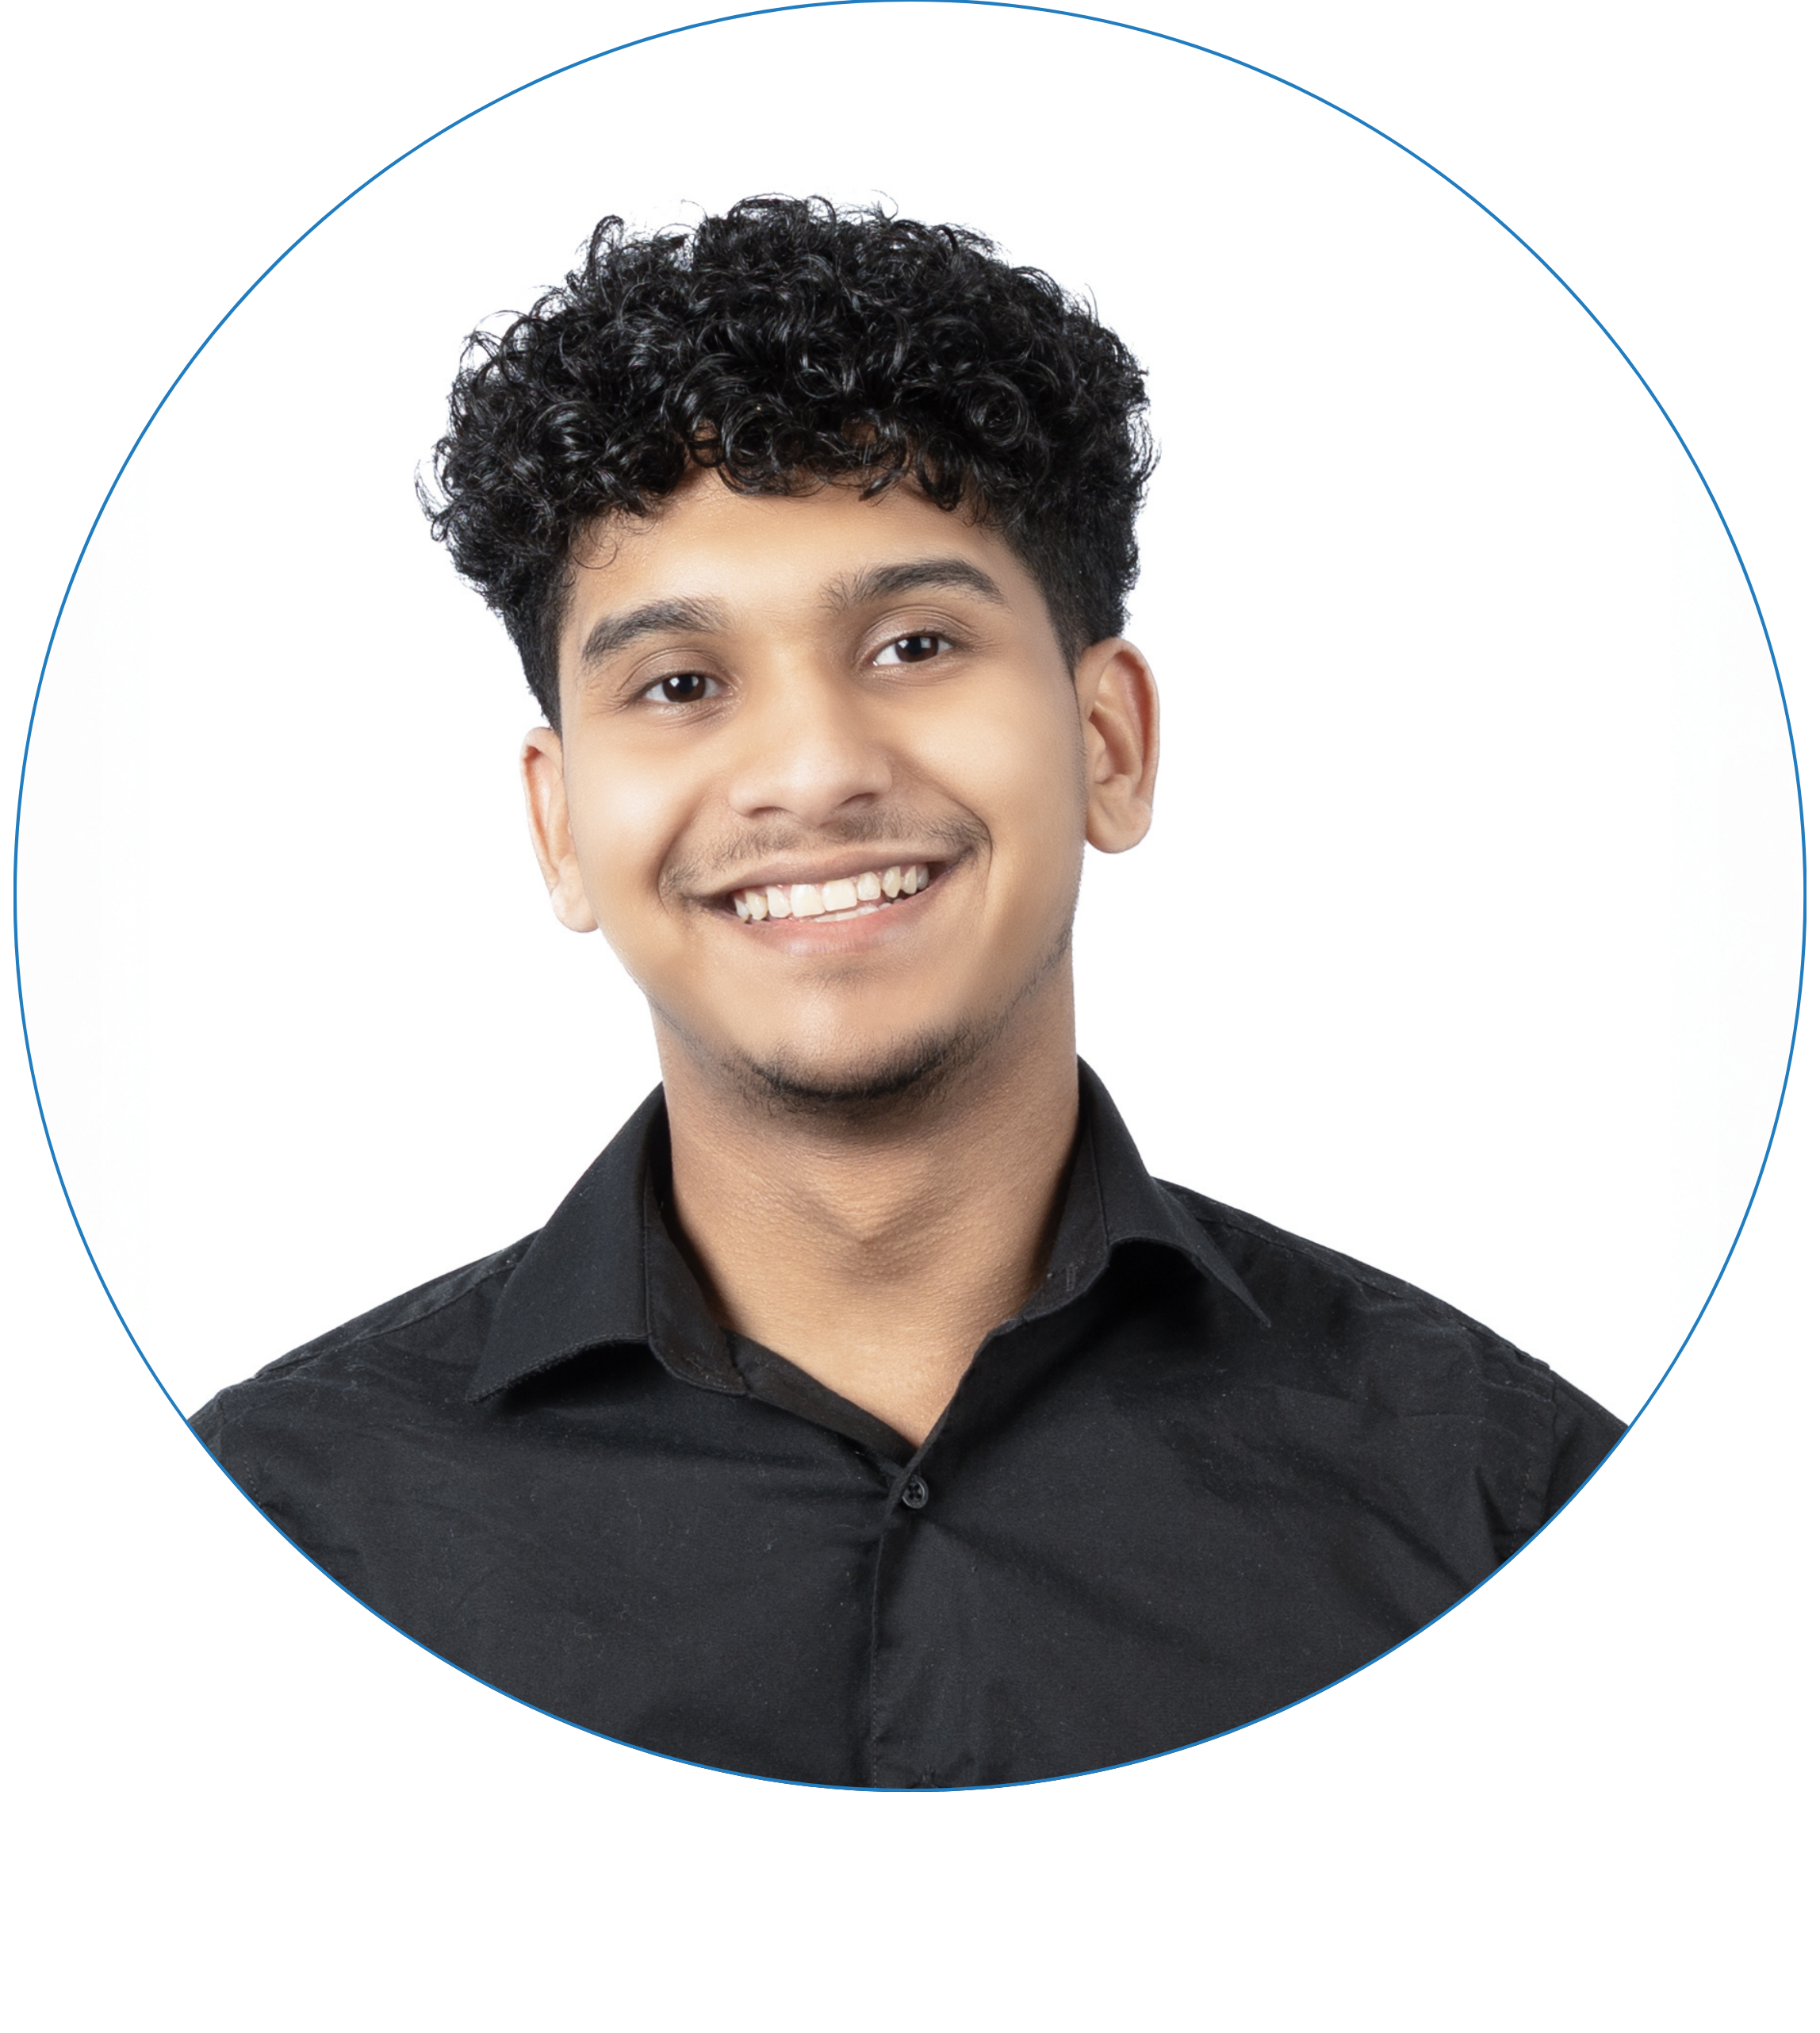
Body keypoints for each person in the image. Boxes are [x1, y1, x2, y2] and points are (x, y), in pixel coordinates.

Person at [191, 196, 1625, 1788]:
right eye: (679, 686)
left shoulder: (1514, 1510)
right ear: (559, 825)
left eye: (915, 645)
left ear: (1108, 742)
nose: (811, 771)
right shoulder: (265, 1537)